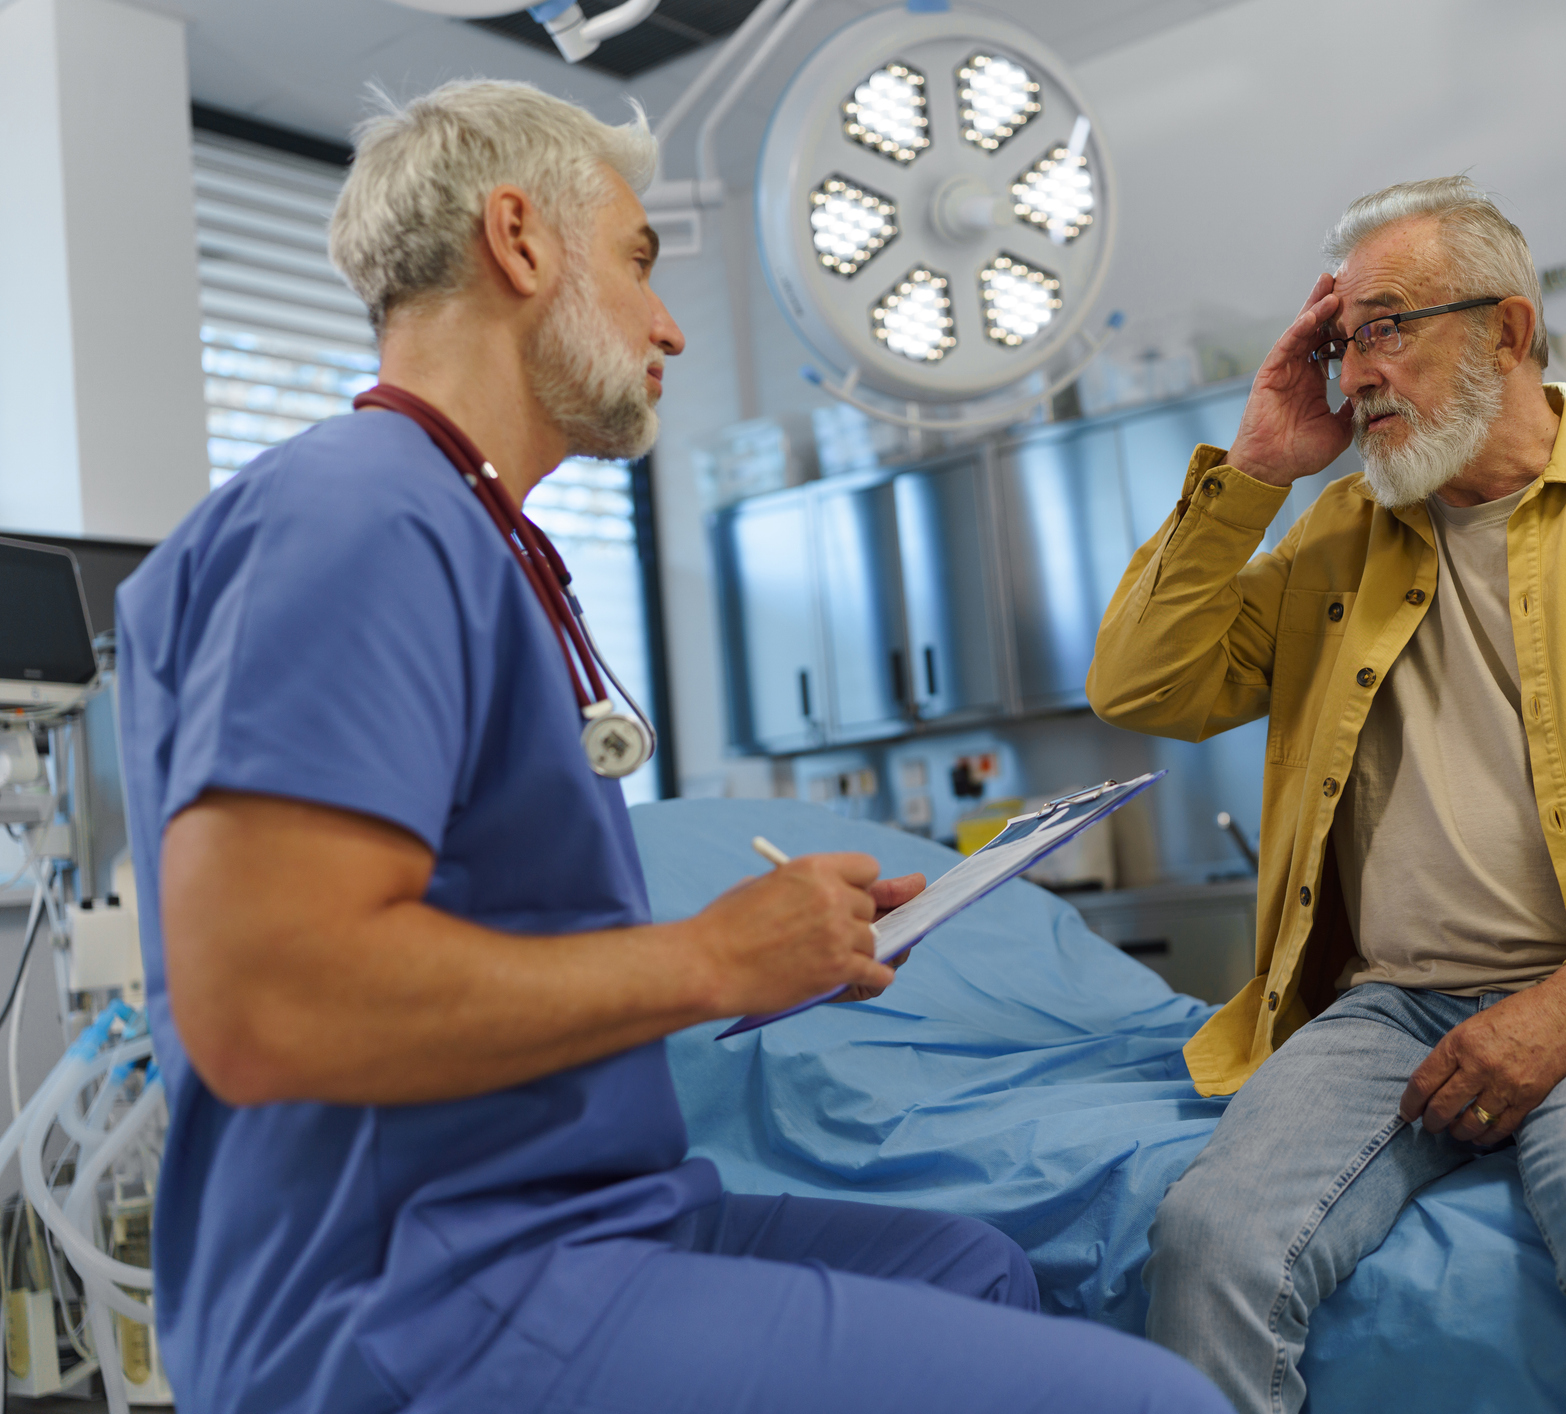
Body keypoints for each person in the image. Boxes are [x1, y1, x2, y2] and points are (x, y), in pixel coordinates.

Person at [117, 80, 1229, 1414]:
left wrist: (774, 947)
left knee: (975, 1267)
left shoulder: (482, 540)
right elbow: (269, 999)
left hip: (587, 1216)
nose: (672, 326)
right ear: (521, 242)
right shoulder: (357, 516)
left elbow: (510, 940)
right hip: (415, 1293)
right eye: (640, 263)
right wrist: (710, 957)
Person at [1086, 176, 1566, 1413]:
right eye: (1339, 339)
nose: (1353, 374)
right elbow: (1145, 682)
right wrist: (1249, 471)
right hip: (1395, 1006)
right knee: (1204, 1247)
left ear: (1506, 332)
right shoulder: (1333, 537)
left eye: (1387, 326)